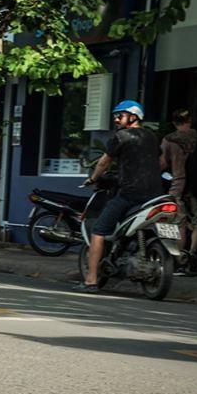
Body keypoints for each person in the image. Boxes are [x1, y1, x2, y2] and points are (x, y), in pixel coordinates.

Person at [79, 100, 164, 292]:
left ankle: (91, 280)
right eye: (116, 116)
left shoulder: (121, 137)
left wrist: (93, 179)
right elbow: (162, 161)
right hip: (155, 194)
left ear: (133, 117)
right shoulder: (151, 136)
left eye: (120, 116)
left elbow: (103, 163)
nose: (116, 120)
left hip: (130, 194)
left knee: (99, 231)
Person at [161, 108, 197, 275]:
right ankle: (192, 255)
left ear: (174, 123)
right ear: (189, 121)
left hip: (178, 186)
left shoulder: (169, 140)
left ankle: (180, 261)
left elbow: (163, 163)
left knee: (178, 224)